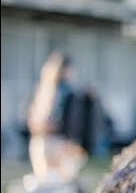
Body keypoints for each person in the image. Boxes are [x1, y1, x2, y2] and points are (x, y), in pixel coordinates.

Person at [25, 51, 88, 185]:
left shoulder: (44, 90)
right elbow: (67, 122)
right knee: (57, 184)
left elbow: (32, 120)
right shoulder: (62, 92)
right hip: (56, 143)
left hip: (44, 142)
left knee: (48, 183)